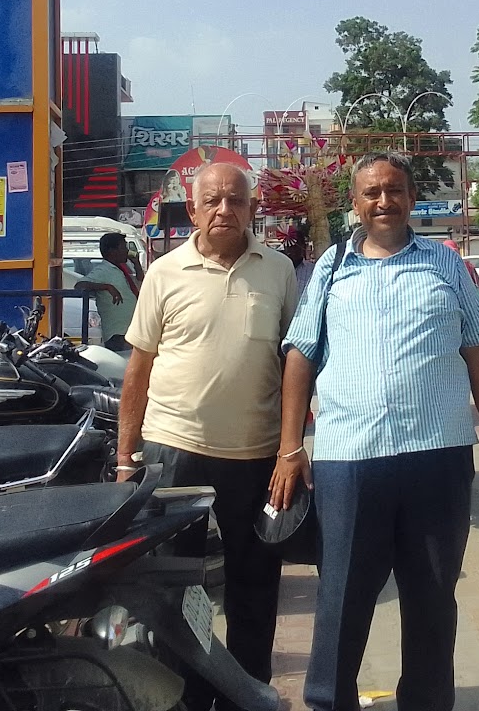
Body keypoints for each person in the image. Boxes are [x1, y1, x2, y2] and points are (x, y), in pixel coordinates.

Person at [269, 152, 479, 711]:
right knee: (342, 595)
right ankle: (330, 700)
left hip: (438, 455)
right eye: (372, 193)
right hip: (349, 460)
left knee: (433, 595)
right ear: (355, 203)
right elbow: (300, 356)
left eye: (395, 190)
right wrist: (290, 447)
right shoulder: (331, 268)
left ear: (410, 198)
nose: (384, 201)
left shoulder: (445, 263)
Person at [114, 162, 299, 710]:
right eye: (212, 201)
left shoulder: (279, 271)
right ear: (192, 210)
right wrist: (125, 458)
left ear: (252, 209)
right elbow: (138, 369)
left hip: (256, 455)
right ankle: (186, 697)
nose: (224, 210)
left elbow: (295, 363)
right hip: (174, 451)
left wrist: (292, 447)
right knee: (175, 586)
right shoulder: (164, 272)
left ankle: (247, 694)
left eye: (235, 200)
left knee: (255, 585)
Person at [74, 231, 140, 350]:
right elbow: (80, 285)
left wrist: (137, 265)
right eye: (123, 247)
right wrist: (106, 287)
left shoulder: (120, 270)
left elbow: (141, 284)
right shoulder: (103, 271)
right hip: (118, 334)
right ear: (112, 251)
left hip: (130, 331)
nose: (126, 251)